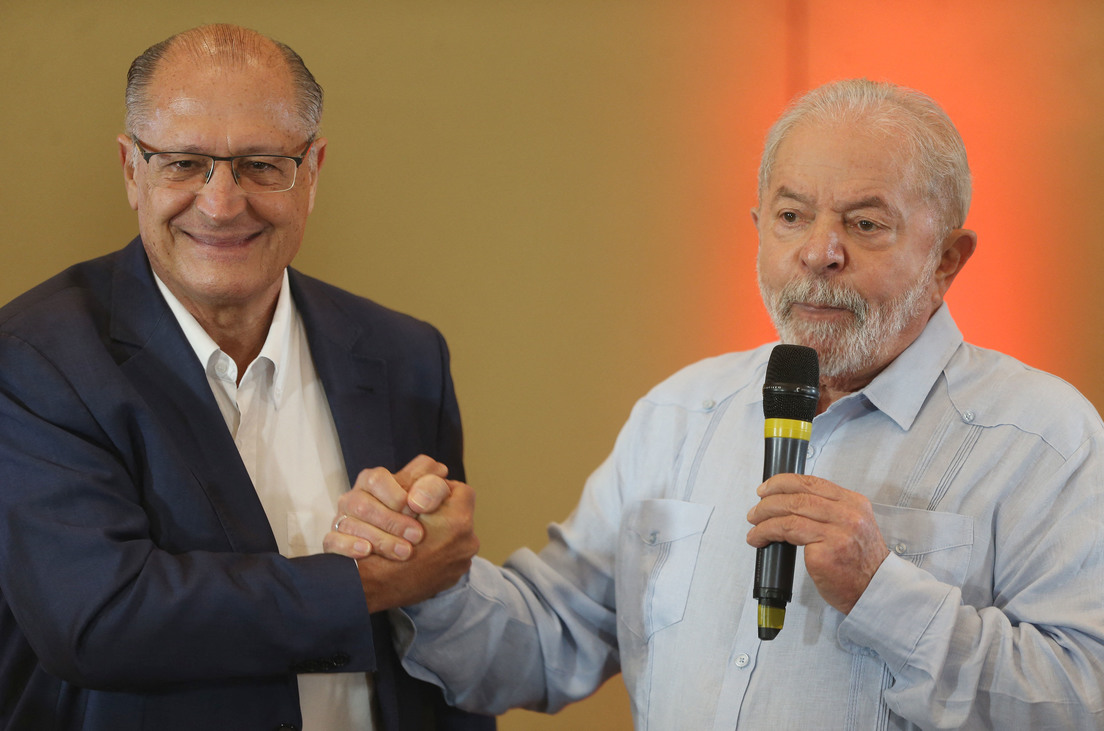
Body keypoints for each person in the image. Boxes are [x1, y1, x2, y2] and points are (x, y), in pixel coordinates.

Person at [327, 79, 1104, 728]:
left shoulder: (1043, 436)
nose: (819, 251)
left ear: (947, 260)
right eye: (792, 216)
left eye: (865, 224)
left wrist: (884, 592)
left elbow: (1084, 696)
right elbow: (546, 640)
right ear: (759, 229)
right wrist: (430, 577)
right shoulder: (681, 412)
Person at [0, 24, 492, 731]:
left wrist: (436, 555)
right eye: (183, 163)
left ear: (312, 171)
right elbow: (100, 618)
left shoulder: (406, 355)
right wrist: (364, 583)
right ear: (132, 169)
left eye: (261, 165)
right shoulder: (34, 359)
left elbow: (441, 643)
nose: (222, 203)